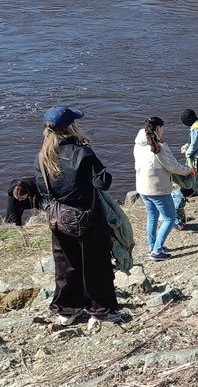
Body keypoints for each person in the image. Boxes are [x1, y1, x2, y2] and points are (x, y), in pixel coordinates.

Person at [34, 105, 119, 329]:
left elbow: (42, 194)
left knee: (65, 265)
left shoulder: (42, 158)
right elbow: (103, 182)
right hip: (87, 218)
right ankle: (99, 311)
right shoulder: (83, 152)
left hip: (58, 219)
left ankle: (66, 310)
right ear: (71, 127)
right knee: (96, 265)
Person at [135, 117, 194, 261]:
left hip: (142, 187)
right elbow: (173, 166)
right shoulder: (159, 146)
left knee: (152, 216)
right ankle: (157, 251)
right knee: (169, 218)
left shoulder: (138, 144)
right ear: (159, 128)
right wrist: (189, 171)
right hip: (158, 188)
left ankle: (152, 246)